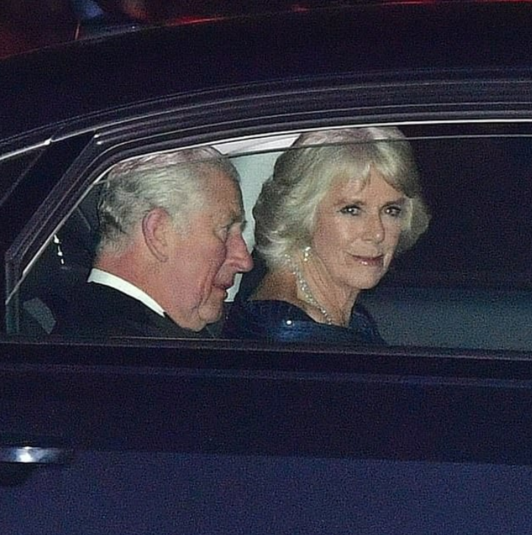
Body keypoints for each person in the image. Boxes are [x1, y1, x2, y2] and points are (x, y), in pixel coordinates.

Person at [223, 127, 430, 344]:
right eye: (352, 210)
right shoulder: (292, 335)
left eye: (391, 210)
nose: (377, 233)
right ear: (302, 213)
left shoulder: (331, 314)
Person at [54, 147, 253, 338]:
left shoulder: (89, 326)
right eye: (225, 230)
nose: (244, 261)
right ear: (159, 232)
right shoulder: (134, 349)